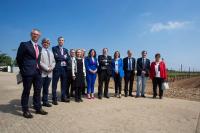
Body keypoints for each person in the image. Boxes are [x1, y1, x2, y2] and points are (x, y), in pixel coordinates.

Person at [16, 29, 48, 118]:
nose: (36, 35)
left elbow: (37, 60)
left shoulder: (40, 47)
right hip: (28, 72)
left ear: (39, 36)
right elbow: (19, 58)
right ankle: (25, 110)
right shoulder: (24, 44)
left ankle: (38, 108)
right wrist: (23, 69)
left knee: (38, 91)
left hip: (38, 72)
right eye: (34, 34)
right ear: (31, 34)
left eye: (37, 34)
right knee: (26, 91)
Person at [52, 36, 69, 105]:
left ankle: (63, 97)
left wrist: (62, 57)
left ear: (64, 42)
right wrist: (63, 57)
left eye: (62, 40)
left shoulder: (66, 50)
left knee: (64, 84)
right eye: (60, 40)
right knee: (54, 84)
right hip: (57, 69)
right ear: (58, 41)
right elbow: (56, 57)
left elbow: (67, 58)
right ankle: (54, 99)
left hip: (64, 69)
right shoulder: (54, 48)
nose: (61, 41)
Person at [39, 38, 55, 107]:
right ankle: (36, 102)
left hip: (50, 73)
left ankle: (45, 101)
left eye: (48, 43)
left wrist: (51, 68)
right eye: (45, 42)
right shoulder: (40, 51)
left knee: (46, 88)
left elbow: (54, 61)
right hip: (42, 72)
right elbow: (39, 61)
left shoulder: (51, 52)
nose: (46, 44)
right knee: (38, 89)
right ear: (42, 43)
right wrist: (47, 68)